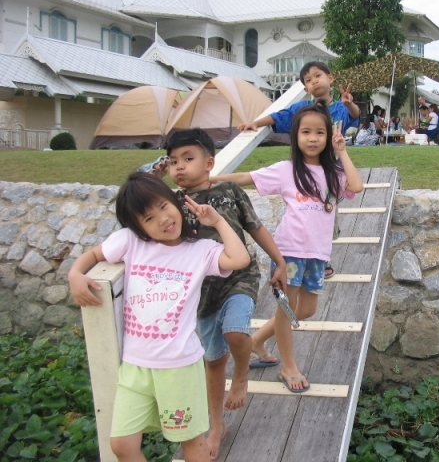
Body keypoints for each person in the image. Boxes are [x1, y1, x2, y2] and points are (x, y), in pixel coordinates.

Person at [68, 172, 250, 462]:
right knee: (121, 445)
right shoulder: (130, 242)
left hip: (179, 367)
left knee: (192, 444)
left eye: (164, 207)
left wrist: (216, 221)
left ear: (175, 201)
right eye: (149, 218)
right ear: (137, 226)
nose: (163, 220)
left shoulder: (200, 250)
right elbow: (93, 254)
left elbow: (240, 259)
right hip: (135, 367)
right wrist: (75, 274)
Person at [146, 128, 287, 460]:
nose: (180, 167)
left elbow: (255, 227)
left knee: (235, 330)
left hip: (240, 276)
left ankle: (241, 375)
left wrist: (279, 261)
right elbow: (141, 212)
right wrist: (153, 183)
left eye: (188, 159)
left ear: (209, 163)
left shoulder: (229, 191)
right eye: (173, 161)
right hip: (201, 290)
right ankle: (217, 424)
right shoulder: (172, 204)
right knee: (213, 361)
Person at [211, 101, 364, 393]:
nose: (312, 138)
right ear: (295, 136)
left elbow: (356, 186)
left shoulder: (333, 173)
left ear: (328, 136)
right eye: (305, 132)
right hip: (289, 251)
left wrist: (342, 151)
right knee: (286, 308)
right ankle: (288, 367)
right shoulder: (286, 170)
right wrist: (210, 180)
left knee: (306, 309)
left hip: (317, 254)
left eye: (319, 132)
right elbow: (245, 178)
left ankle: (257, 340)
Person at [238, 61, 360, 281]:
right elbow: (278, 116)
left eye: (318, 76)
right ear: (305, 88)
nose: (314, 82)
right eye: (308, 80)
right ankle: (304, 255)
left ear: (330, 78)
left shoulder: (340, 108)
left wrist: (349, 104)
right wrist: (255, 123)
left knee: (327, 213)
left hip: (331, 173)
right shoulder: (301, 110)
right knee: (307, 211)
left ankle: (321, 257)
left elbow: (355, 115)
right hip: (307, 171)